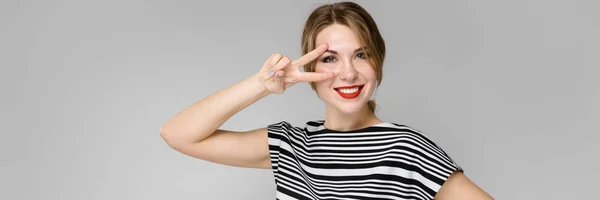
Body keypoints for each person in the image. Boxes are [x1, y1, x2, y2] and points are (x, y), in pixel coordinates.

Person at [160, 1, 493, 199]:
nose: (347, 73)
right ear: (310, 66)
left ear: (378, 62)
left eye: (361, 55)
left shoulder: (405, 148)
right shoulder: (290, 145)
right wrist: (261, 85)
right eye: (330, 58)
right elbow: (177, 134)